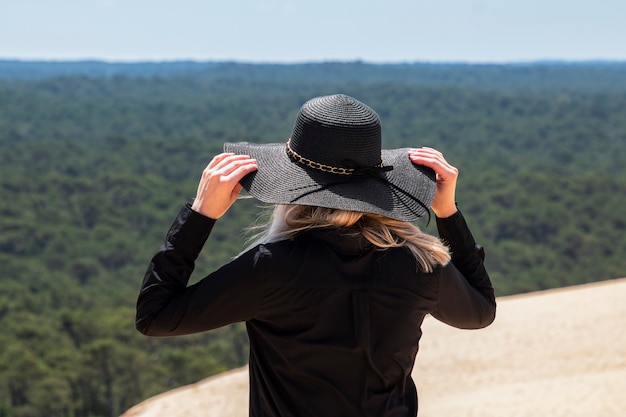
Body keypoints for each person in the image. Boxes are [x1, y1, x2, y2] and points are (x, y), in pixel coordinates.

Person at [136, 94, 496, 416]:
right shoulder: (419, 265)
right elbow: (480, 312)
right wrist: (448, 214)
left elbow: (155, 316)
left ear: (292, 181)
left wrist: (200, 216)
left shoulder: (272, 268)